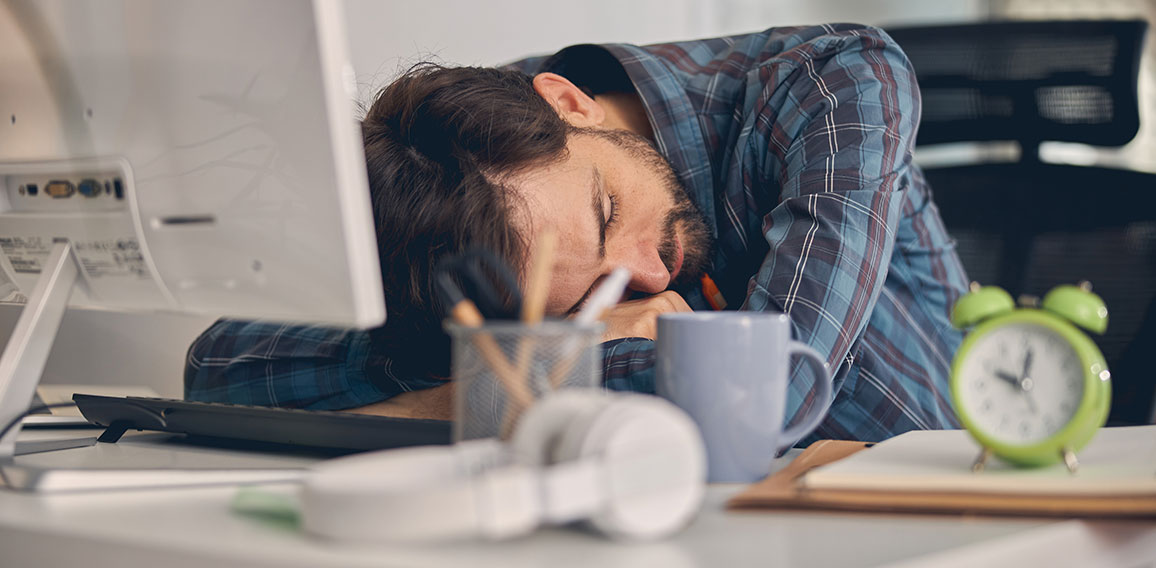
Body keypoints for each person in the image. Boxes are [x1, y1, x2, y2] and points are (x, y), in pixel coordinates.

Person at [185, 23, 969, 444]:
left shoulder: (833, 83)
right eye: (591, 295)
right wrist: (498, 380)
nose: (648, 281)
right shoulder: (458, 191)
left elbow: (767, 389)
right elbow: (219, 364)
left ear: (569, 102)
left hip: (950, 482)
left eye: (605, 215)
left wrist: (488, 388)